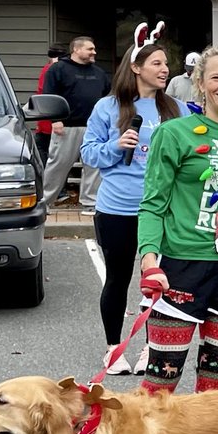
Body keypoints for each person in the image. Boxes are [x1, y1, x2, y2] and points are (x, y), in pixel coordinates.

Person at [137, 44, 218, 399]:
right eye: (216, 77)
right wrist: (149, 261)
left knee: (215, 388)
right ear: (200, 84)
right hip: (181, 267)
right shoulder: (174, 133)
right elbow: (153, 204)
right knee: (160, 385)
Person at [81, 29, 179, 376]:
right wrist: (116, 146)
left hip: (162, 209)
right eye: (156, 63)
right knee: (118, 278)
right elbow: (89, 153)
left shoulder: (173, 108)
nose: (164, 69)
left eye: (166, 63)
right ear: (136, 67)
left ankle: (151, 348)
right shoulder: (107, 107)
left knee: (156, 278)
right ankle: (113, 349)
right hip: (117, 208)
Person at [42, 36, 111, 213]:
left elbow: (107, 97)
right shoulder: (58, 69)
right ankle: (44, 202)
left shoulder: (99, 73)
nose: (94, 52)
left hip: (94, 128)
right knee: (58, 164)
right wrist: (55, 120)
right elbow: (49, 95)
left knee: (94, 167)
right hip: (66, 126)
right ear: (76, 50)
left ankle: (90, 202)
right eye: (90, 49)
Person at [34, 45, 68, 164]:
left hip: (48, 120)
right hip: (58, 120)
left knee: (43, 150)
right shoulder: (62, 70)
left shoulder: (49, 69)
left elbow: (44, 93)